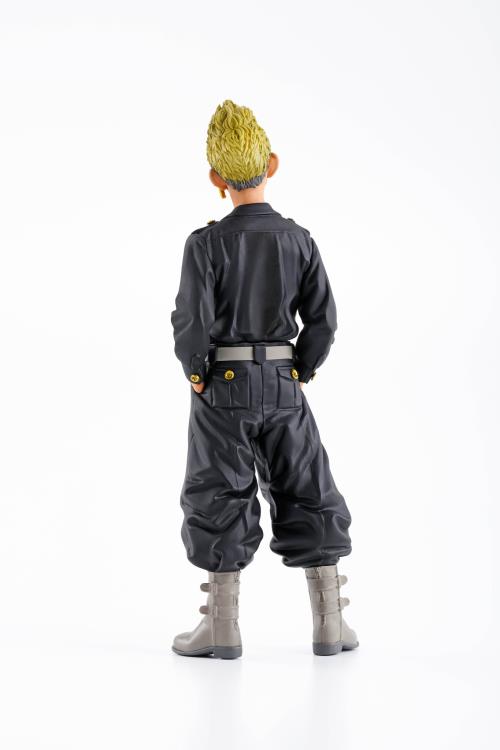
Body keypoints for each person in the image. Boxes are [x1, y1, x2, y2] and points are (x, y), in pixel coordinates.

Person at [170, 99, 358, 658]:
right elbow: (323, 319)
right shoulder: (298, 239)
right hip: (282, 381)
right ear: (272, 165)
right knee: (308, 486)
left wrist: (196, 372)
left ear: (215, 177)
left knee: (218, 490)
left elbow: (190, 319)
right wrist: (302, 368)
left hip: (221, 383)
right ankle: (331, 624)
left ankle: (221, 628)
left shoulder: (205, 243)